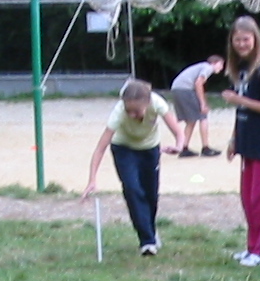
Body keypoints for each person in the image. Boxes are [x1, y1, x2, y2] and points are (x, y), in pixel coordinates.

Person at [84, 79, 186, 256]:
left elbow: (178, 131)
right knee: (132, 189)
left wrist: (179, 145)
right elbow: (100, 148)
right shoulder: (118, 113)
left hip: (150, 149)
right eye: (128, 110)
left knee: (151, 194)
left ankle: (150, 230)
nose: (131, 115)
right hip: (124, 149)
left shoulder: (157, 103)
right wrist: (92, 179)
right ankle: (147, 242)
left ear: (147, 103)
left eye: (136, 111)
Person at [219, 15, 260, 267]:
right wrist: (234, 138)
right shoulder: (241, 70)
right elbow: (240, 110)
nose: (242, 44)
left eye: (246, 39)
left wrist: (239, 100)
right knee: (248, 199)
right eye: (237, 40)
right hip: (246, 142)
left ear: (255, 39)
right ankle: (252, 247)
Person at [168, 56, 225, 157]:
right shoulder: (208, 67)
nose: (221, 68)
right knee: (203, 116)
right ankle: (206, 148)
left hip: (177, 89)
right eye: (221, 64)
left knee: (191, 120)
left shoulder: (201, 66)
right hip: (185, 89)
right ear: (214, 63)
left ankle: (184, 148)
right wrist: (203, 104)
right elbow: (198, 83)